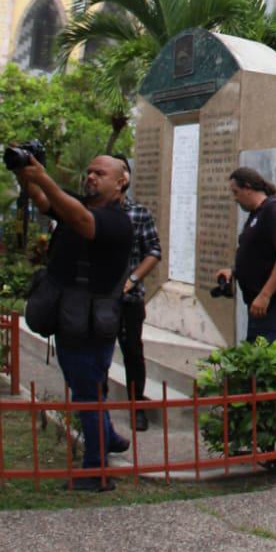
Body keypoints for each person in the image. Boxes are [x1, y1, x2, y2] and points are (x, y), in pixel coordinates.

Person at [15, 153, 134, 490]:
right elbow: (45, 201)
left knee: (87, 394)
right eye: (90, 171)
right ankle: (108, 437)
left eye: (100, 173)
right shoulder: (77, 205)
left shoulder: (116, 221)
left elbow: (82, 221)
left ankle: (95, 473)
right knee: (89, 388)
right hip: (72, 319)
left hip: (87, 326)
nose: (91, 176)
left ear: (120, 182)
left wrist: (43, 176)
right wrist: (25, 173)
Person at [218, 167, 276, 342]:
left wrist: (265, 295)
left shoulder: (275, 212)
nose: (234, 198)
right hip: (257, 303)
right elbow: (257, 255)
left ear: (248, 188)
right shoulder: (257, 214)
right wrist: (234, 271)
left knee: (269, 353)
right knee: (255, 352)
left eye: (236, 192)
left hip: (274, 302)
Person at [118, 156, 162, 431]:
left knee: (133, 352)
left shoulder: (138, 213)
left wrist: (133, 279)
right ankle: (95, 406)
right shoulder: (90, 212)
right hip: (97, 300)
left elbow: (154, 250)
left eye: (124, 169)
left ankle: (137, 407)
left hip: (129, 300)